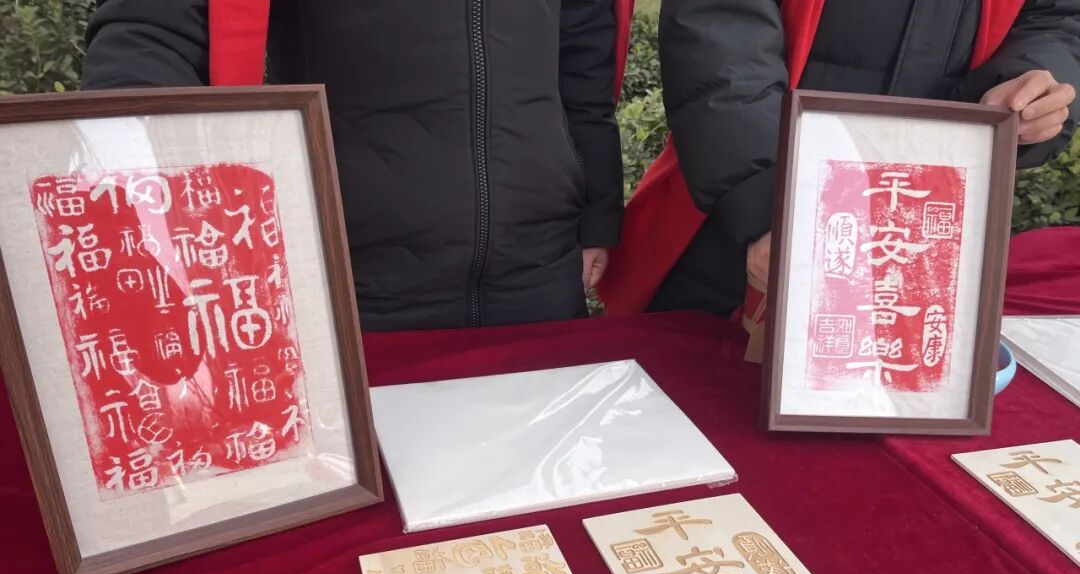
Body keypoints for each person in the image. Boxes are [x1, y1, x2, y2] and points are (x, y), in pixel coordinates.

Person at [81, 0, 630, 331]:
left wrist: (597, 213)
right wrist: (130, 186)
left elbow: (584, 59)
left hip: (538, 270)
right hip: (348, 277)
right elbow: (153, 32)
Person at [599, 0, 1080, 318]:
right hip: (742, 205)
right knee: (694, 400)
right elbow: (721, 34)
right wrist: (770, 200)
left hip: (923, 222)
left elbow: (1056, 18)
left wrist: (1029, 88)